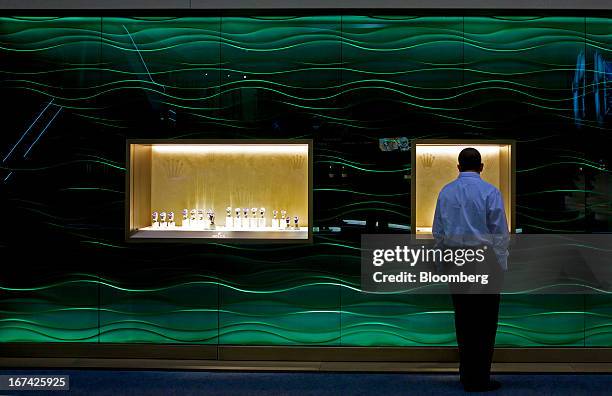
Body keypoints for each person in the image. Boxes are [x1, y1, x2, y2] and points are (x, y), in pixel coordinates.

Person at [432, 147, 510, 392]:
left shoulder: (446, 192)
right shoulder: (490, 192)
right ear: (481, 166)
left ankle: (466, 375)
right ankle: (481, 378)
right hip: (484, 260)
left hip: (457, 260)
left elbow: (439, 232)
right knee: (486, 322)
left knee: (463, 318)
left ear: (458, 167)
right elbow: (499, 233)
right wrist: (501, 264)